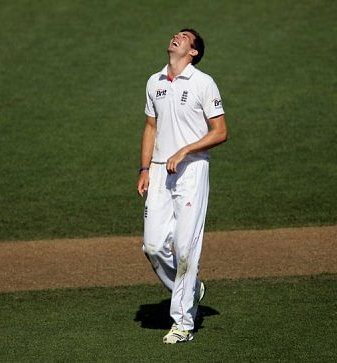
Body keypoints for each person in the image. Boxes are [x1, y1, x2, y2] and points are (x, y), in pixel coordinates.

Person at [137, 28, 227, 344]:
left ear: (193, 52)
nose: (177, 37)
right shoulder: (154, 82)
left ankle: (183, 323)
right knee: (152, 246)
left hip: (191, 171)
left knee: (186, 247)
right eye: (177, 34)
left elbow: (220, 131)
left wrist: (186, 149)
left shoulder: (204, 83)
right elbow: (151, 127)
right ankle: (190, 288)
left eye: (185, 37)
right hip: (160, 171)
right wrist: (145, 168)